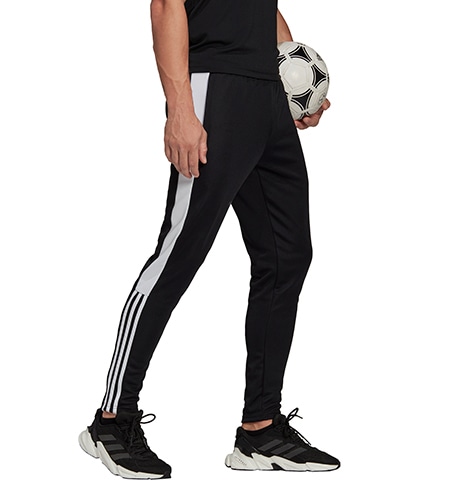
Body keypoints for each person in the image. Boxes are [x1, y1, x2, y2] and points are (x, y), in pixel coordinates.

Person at [78, 0, 340, 479]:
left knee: (287, 256)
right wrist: (180, 108)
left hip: (266, 93)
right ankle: (111, 421)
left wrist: (298, 80)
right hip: (214, 87)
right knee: (179, 254)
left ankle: (261, 429)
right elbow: (166, 4)